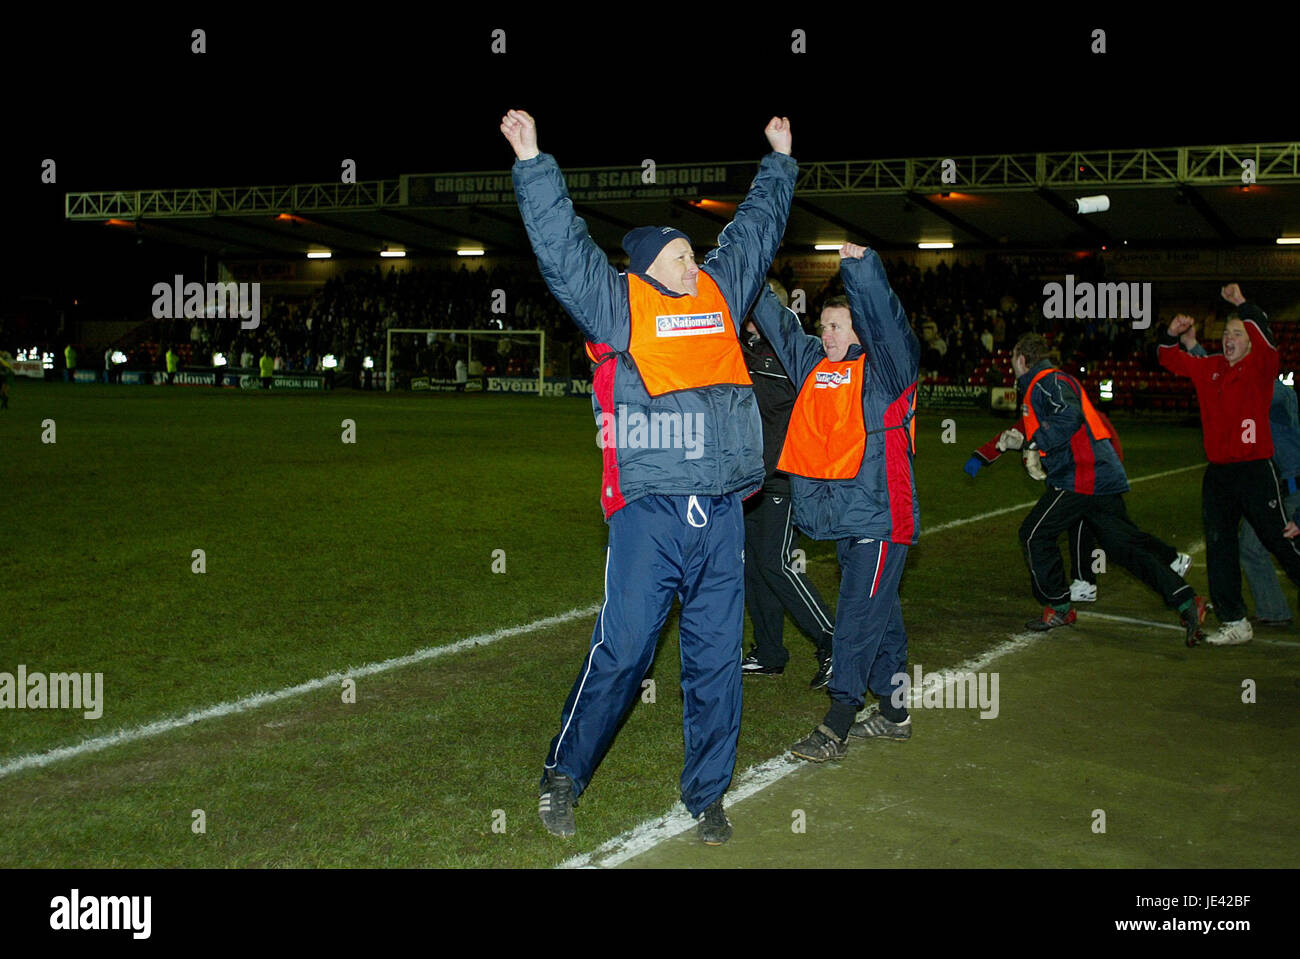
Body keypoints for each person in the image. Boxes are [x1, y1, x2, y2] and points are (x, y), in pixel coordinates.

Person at [502, 108, 796, 844]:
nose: (691, 259)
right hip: (651, 514)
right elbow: (565, 252)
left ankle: (707, 794)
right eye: (677, 253)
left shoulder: (721, 296)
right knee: (628, 647)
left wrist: (780, 163)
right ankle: (563, 774)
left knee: (715, 660)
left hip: (723, 510)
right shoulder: (620, 304)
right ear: (645, 264)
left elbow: (755, 231)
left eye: (694, 251)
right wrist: (535, 162)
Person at [749, 243, 920, 762]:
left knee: (854, 621)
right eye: (823, 326)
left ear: (860, 331)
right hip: (848, 522)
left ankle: (837, 723)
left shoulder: (888, 372)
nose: (827, 335)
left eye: (839, 326)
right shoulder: (813, 366)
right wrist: (744, 268)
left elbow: (886, 322)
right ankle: (894, 714)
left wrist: (862, 269)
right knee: (880, 618)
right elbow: (776, 322)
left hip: (882, 520)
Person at [1008, 333, 1207, 644]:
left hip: (1082, 476)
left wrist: (1035, 443)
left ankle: (1059, 605)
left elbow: (1068, 415)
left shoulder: (1044, 381)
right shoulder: (1054, 379)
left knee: (1034, 534)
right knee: (1121, 547)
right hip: (1101, 473)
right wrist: (1027, 443)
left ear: (1022, 359)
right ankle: (1185, 599)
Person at [1159, 284, 1300, 645]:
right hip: (1219, 474)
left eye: (1237, 333)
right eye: (1225, 333)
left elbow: (1267, 344)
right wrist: (1171, 335)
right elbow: (1168, 359)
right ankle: (1235, 620)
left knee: (1279, 540)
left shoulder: (1261, 367)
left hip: (1255, 470)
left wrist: (1242, 305)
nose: (1229, 339)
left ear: (1250, 341)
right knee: (1220, 545)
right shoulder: (1211, 369)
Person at [964, 412, 1191, 603]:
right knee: (1117, 533)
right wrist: (982, 456)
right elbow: (1017, 431)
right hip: (1085, 476)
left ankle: (1085, 581)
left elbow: (1101, 440)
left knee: (1096, 528)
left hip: (1094, 475)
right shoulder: (1046, 407)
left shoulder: (1069, 408)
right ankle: (1170, 559)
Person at [738, 281, 836, 687]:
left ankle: (833, 642)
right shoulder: (738, 351)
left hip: (787, 476)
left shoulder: (798, 354)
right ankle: (770, 652)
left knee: (777, 563)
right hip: (749, 480)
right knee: (754, 568)